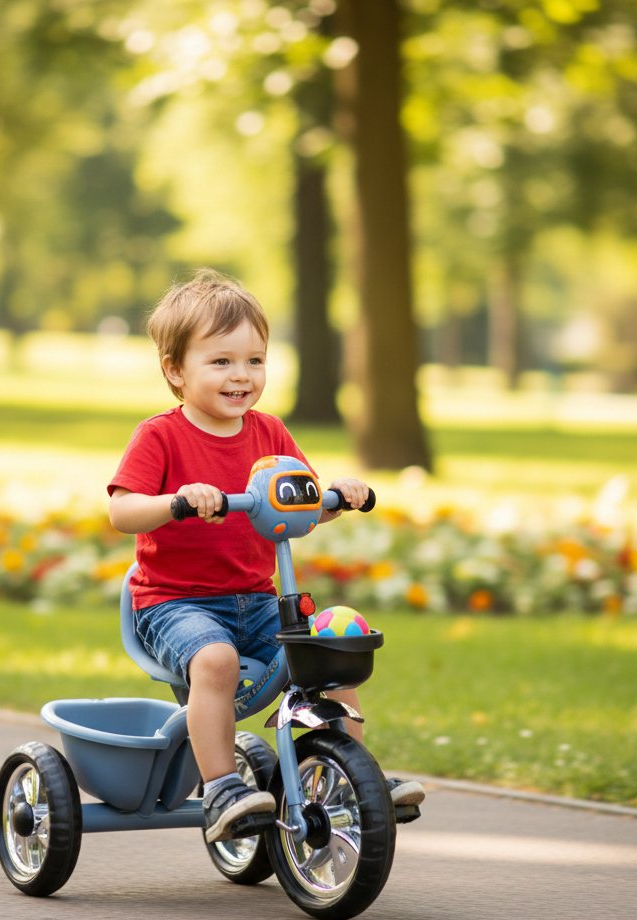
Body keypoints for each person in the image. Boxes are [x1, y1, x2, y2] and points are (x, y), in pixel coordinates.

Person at [108, 269, 424, 844]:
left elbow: (297, 505)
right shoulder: (161, 437)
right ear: (175, 370)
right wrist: (176, 502)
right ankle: (224, 788)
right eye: (222, 361)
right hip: (175, 604)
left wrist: (338, 497)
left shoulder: (270, 433)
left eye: (255, 361)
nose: (242, 376)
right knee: (216, 662)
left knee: (332, 650)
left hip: (258, 600)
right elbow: (123, 512)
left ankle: (356, 773)